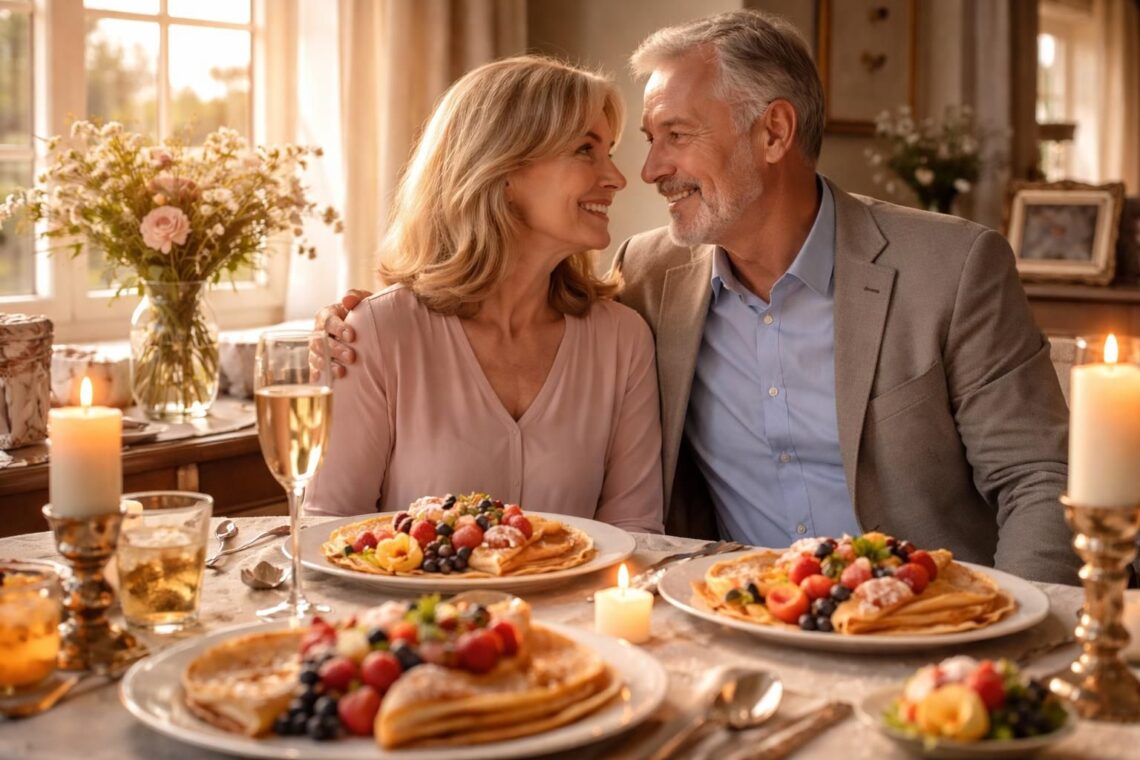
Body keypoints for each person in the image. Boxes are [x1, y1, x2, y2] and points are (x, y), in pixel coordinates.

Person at [318, 12, 1078, 584]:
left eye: (673, 135)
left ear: (774, 132)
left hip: (931, 627)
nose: (645, 173)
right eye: (637, 142)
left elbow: (1040, 481)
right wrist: (365, 322)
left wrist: (1015, 642)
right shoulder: (645, 281)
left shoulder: (951, 267)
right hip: (732, 623)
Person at [303, 56, 664, 535]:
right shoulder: (374, 334)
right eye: (585, 150)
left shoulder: (622, 340)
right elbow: (328, 532)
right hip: (409, 611)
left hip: (574, 613)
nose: (616, 178)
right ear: (502, 170)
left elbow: (635, 535)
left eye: (610, 152)